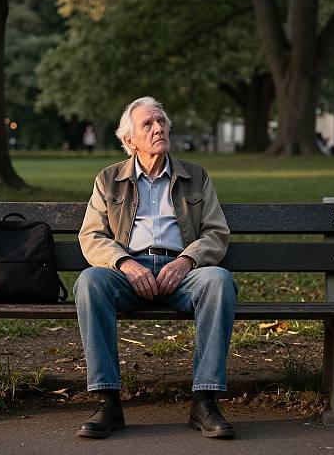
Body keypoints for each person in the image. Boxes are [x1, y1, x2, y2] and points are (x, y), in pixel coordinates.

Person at [74, 96, 237, 439]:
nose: (159, 128)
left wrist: (187, 260)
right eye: (147, 124)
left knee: (219, 281)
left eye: (161, 121)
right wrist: (125, 263)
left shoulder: (196, 176)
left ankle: (204, 401)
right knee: (90, 283)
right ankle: (108, 401)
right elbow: (91, 237)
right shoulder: (108, 179)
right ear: (129, 140)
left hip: (183, 273)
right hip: (127, 273)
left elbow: (216, 232)